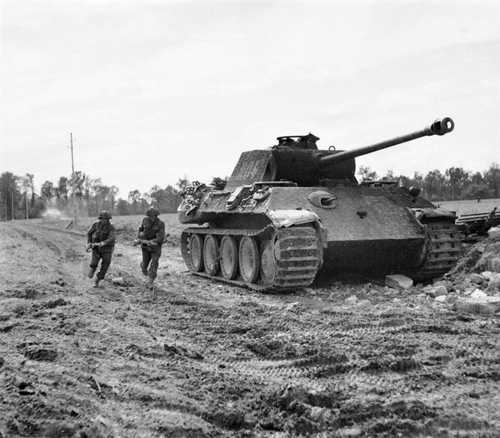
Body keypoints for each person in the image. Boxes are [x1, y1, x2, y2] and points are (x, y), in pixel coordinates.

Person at [136, 207, 165, 288]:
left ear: (156, 216)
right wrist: (140, 237)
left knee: (154, 263)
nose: (152, 217)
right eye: (150, 215)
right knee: (145, 264)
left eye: (154, 215)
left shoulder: (160, 224)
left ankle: (150, 281)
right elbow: (140, 231)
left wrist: (152, 241)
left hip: (156, 247)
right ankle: (143, 266)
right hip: (145, 247)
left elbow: (160, 237)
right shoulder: (144, 220)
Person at [86, 210, 116, 287]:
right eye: (102, 218)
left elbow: (112, 238)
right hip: (96, 247)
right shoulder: (95, 225)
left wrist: (103, 243)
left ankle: (98, 280)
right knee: (94, 262)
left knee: (106, 264)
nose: (104, 220)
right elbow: (89, 233)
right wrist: (89, 243)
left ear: (108, 219)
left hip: (107, 249)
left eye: (105, 219)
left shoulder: (111, 227)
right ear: (100, 218)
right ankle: (92, 269)